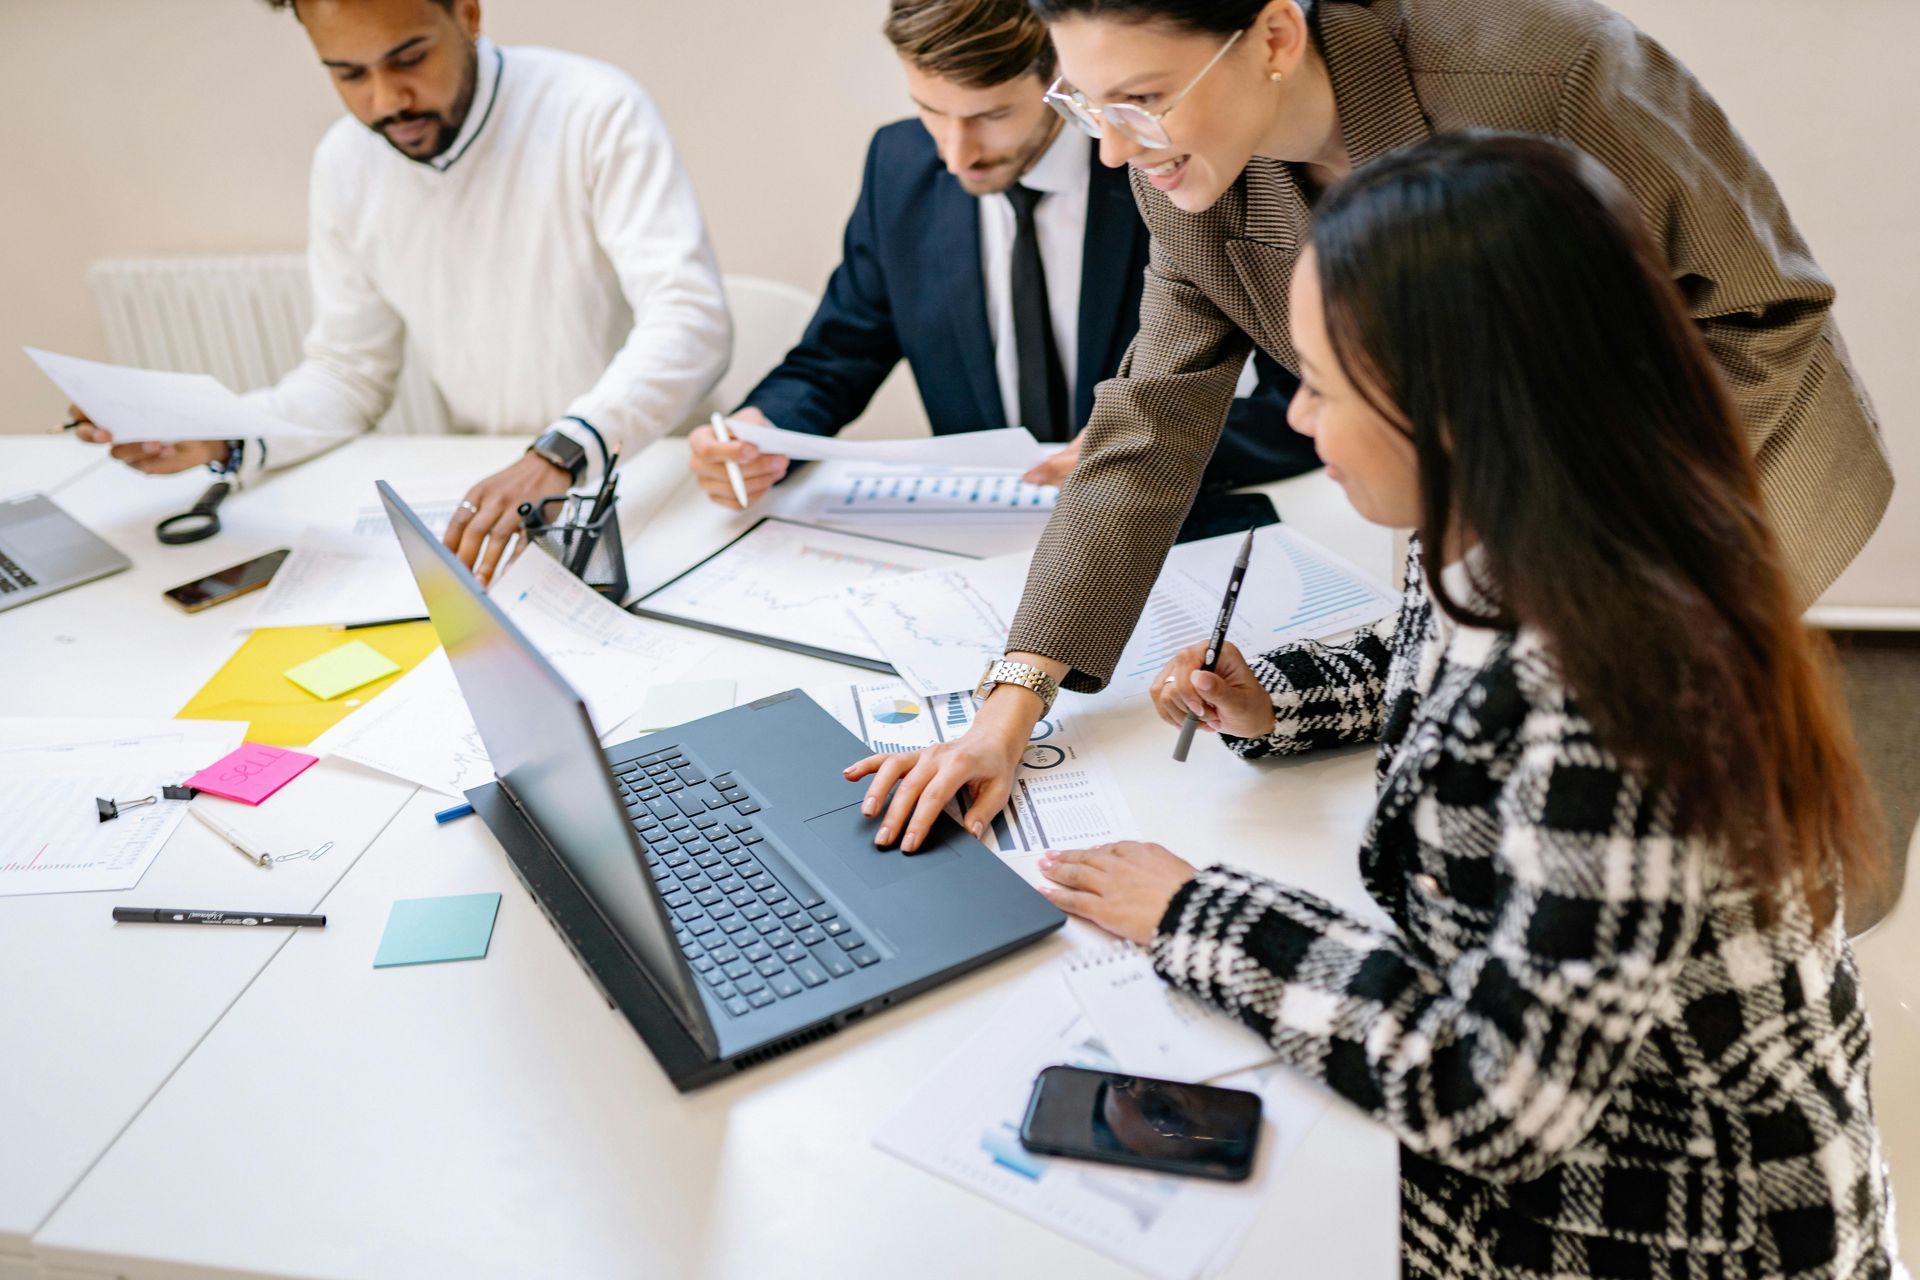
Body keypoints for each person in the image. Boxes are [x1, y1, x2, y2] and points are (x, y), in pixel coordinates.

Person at [1050, 133, 1897, 1279]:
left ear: (1455, 403)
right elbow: (1444, 654)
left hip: (1688, 1220)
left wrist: (1196, 913)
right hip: (1576, 1123)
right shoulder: (1523, 520)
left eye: (1325, 384)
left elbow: (1495, 1095)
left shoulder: (1625, 685)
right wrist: (1279, 693)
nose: (1297, 417)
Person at [848, 0, 1894, 852]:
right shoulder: (1187, 174)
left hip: (1714, 466)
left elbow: (1763, 312)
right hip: (1489, 499)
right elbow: (1149, 426)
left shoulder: (1555, 70)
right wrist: (1011, 701)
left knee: (1632, 801)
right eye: (1086, 107)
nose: (1115, 153)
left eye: (1144, 100)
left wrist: (1606, 567)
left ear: (1272, 37)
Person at [70, 0, 729, 583]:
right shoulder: (345, 162)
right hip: (493, 502)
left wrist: (558, 454)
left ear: (467, 14)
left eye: (409, 57)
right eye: (348, 74)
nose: (386, 101)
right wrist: (222, 439)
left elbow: (690, 322)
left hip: (651, 481)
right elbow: (348, 377)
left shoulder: (594, 108)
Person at [685, 0, 1315, 510]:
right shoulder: (899, 167)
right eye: (930, 111)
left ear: (1063, 76)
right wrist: (758, 433)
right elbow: (836, 358)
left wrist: (1143, 452)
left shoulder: (1171, 166)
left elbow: (1301, 402)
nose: (957, 155)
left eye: (992, 115)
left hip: (1165, 530)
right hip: (977, 541)